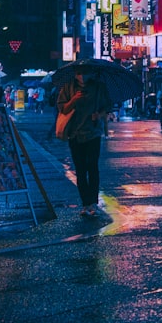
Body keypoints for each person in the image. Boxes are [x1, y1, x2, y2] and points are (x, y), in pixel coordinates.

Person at [57, 70, 113, 216]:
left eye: (85, 72)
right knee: (80, 170)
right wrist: (74, 99)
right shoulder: (68, 87)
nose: (83, 75)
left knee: (92, 168)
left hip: (93, 133)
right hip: (75, 134)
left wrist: (99, 115)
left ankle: (93, 203)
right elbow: (62, 108)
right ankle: (85, 203)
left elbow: (107, 106)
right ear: (75, 74)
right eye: (80, 73)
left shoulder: (98, 87)